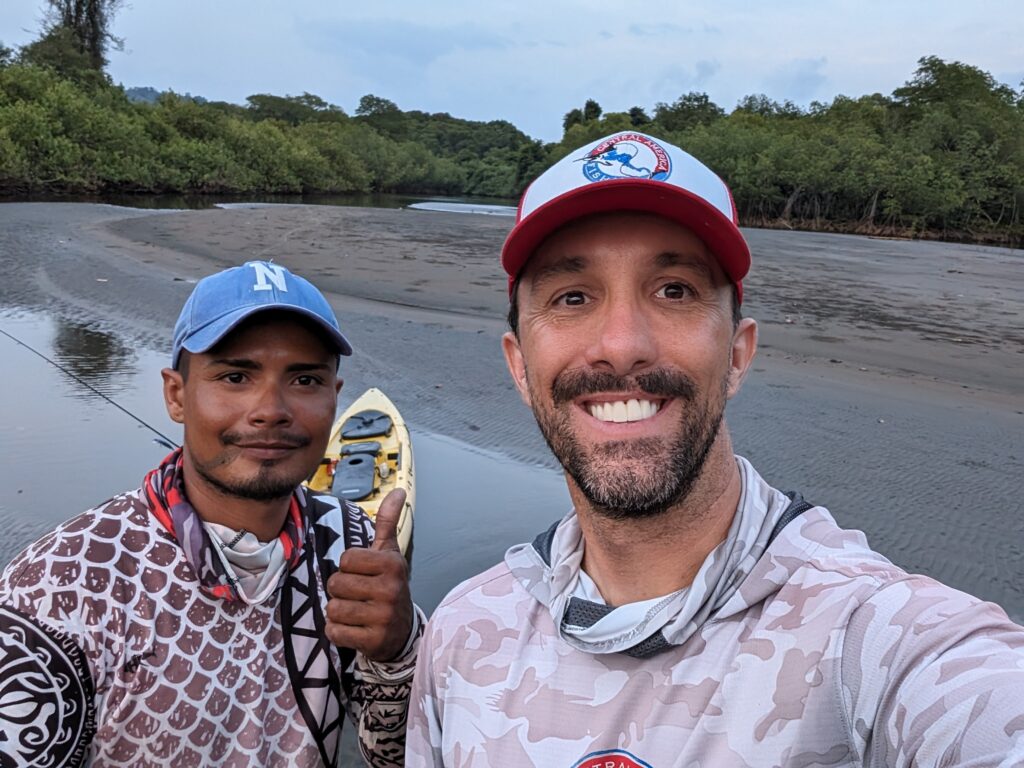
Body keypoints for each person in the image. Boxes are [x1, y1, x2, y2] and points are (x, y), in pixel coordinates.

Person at [406, 132, 1024, 765]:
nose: (621, 345)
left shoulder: (872, 636)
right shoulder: (464, 633)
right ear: (518, 365)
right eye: (572, 298)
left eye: (674, 289)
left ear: (737, 351)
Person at [0, 261, 422, 767]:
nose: (271, 409)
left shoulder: (347, 539)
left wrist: (397, 650)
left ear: (334, 398)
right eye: (236, 376)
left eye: (305, 379)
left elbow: (395, 754)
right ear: (177, 395)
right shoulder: (60, 586)